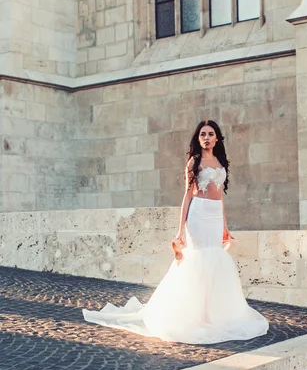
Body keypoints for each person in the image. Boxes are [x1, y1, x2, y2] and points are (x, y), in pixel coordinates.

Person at [83, 120, 269, 344]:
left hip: (215, 216)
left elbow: (220, 197)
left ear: (217, 138)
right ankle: (191, 315)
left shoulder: (220, 162)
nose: (206, 138)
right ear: (198, 139)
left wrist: (225, 226)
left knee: (216, 261)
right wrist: (180, 229)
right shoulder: (194, 161)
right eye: (202, 135)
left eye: (210, 134)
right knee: (198, 260)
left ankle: (212, 313)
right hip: (198, 215)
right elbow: (187, 196)